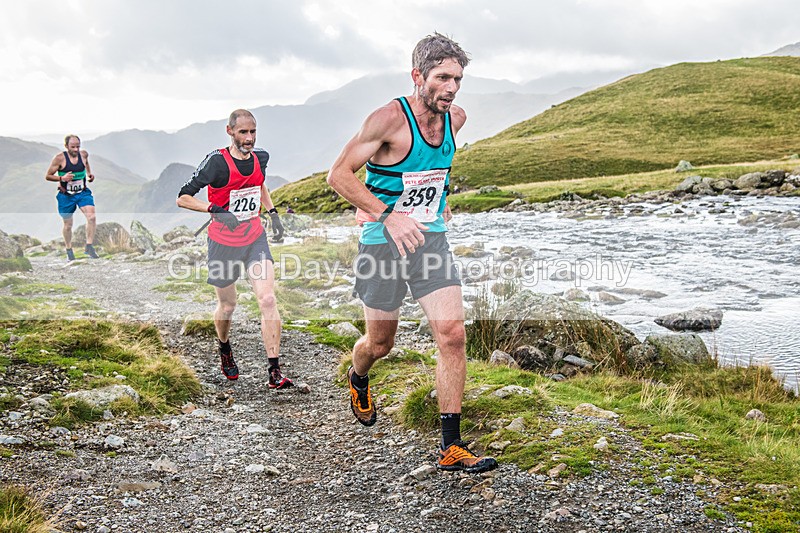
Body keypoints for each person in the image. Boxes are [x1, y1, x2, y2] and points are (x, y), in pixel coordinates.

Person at [327, 33, 497, 473]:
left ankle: (451, 445)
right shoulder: (387, 120)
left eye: (458, 78)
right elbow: (338, 175)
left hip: (430, 243)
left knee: (452, 335)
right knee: (380, 343)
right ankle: (358, 376)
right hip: (382, 244)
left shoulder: (455, 119)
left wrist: (438, 207)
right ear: (418, 76)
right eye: (442, 77)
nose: (452, 87)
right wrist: (387, 215)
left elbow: (431, 174)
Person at [176, 109, 291, 388]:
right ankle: (224, 346)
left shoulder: (261, 158)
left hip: (254, 238)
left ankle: (274, 371)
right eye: (243, 132)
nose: (249, 138)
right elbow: (183, 198)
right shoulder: (216, 163)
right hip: (222, 243)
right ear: (230, 131)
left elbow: (259, 184)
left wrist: (273, 212)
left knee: (267, 299)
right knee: (228, 305)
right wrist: (214, 208)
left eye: (253, 132)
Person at [44, 135, 99, 260]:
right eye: (73, 147)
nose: (76, 149)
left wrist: (89, 174)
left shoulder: (83, 154)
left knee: (92, 217)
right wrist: (61, 178)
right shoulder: (59, 159)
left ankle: (89, 247)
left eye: (78, 146)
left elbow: (86, 163)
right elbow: (47, 176)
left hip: (82, 193)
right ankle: (69, 250)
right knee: (68, 225)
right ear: (66, 146)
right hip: (66, 196)